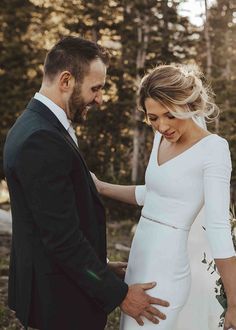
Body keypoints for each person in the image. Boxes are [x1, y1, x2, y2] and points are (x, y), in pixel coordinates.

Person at [3, 36, 169, 330]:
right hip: (60, 304)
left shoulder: (38, 125)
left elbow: (53, 220)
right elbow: (61, 238)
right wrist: (118, 294)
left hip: (59, 288)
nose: (100, 99)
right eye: (96, 88)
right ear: (66, 80)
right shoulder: (40, 139)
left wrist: (100, 269)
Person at [91, 64, 236, 329]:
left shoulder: (213, 149)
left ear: (188, 105)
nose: (161, 126)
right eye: (153, 117)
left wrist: (235, 303)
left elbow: (218, 227)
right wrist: (100, 187)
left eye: (169, 115)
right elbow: (154, 195)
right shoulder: (162, 140)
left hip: (167, 266)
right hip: (140, 255)